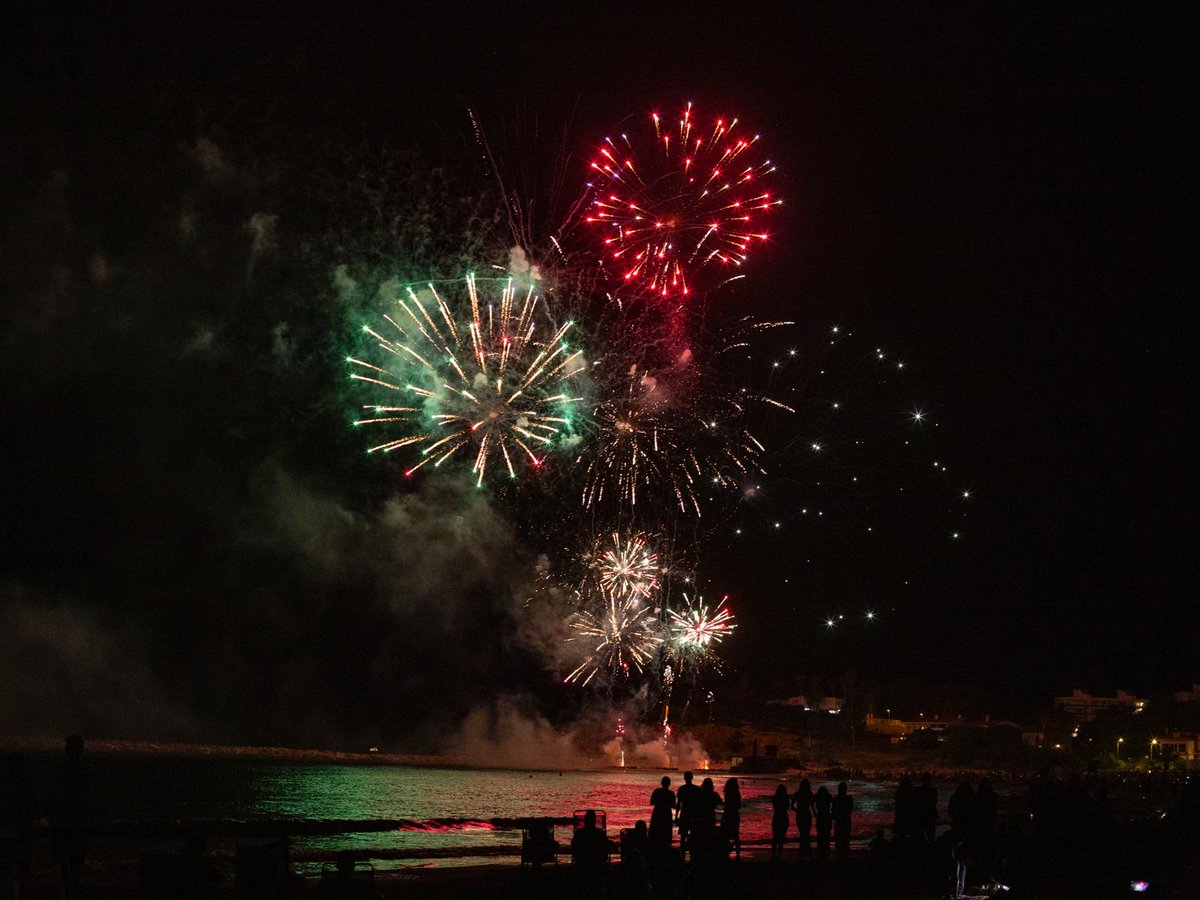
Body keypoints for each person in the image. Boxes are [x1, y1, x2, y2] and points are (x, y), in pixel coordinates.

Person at [49, 735, 91, 900]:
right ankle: (74, 893)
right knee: (75, 863)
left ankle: (66, 894)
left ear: (67, 749)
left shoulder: (59, 769)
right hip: (77, 822)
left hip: (61, 821)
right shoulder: (86, 770)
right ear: (81, 749)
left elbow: (52, 795)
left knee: (63, 863)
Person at [0, 752, 35, 900]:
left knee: (5, 871)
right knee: (19, 872)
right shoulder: (26, 786)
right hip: (21, 833)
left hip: (5, 833)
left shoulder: (3, 785)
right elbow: (32, 808)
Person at [674, 771, 701, 857]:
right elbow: (700, 803)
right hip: (694, 815)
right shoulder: (697, 789)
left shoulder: (682, 789)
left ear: (684, 778)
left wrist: (676, 816)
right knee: (694, 835)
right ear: (692, 777)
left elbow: (678, 804)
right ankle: (693, 855)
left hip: (685, 814)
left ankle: (683, 855)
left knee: (683, 836)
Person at [648, 776, 675, 853]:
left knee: (655, 833)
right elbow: (673, 805)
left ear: (661, 783)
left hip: (657, 813)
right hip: (666, 815)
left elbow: (652, 802)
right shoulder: (671, 793)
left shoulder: (656, 791)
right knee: (666, 834)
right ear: (669, 784)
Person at [792, 778, 814, 856]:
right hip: (807, 814)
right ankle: (807, 851)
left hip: (800, 814)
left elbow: (792, 806)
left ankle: (802, 851)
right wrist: (814, 812)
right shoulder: (810, 794)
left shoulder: (797, 794)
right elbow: (812, 805)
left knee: (802, 833)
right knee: (806, 833)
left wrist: (797, 810)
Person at [721, 778, 742, 860]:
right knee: (736, 835)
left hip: (727, 815)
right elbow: (739, 806)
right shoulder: (737, 794)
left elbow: (726, 805)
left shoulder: (727, 794)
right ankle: (737, 854)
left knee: (725, 834)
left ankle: (726, 852)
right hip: (735, 815)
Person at [914, 773, 939, 841]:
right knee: (931, 835)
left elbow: (916, 803)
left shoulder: (917, 791)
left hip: (920, 814)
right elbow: (934, 803)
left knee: (920, 835)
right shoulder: (933, 791)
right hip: (930, 814)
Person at [832, 782, 853, 857]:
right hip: (846, 819)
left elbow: (833, 810)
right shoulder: (849, 799)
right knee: (846, 838)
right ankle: (846, 854)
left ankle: (839, 854)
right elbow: (850, 810)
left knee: (838, 838)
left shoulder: (836, 799)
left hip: (839, 820)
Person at [770, 784, 789, 861]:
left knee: (775, 837)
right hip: (783, 817)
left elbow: (775, 805)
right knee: (781, 838)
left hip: (777, 817)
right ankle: (779, 855)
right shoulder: (785, 798)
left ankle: (773, 854)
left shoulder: (774, 798)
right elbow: (787, 807)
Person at [813, 785, 834, 860]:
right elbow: (833, 803)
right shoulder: (828, 796)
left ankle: (820, 852)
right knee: (827, 834)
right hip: (827, 816)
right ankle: (826, 851)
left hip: (820, 816)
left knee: (820, 834)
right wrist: (832, 812)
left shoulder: (817, 796)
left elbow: (812, 802)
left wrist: (814, 811)